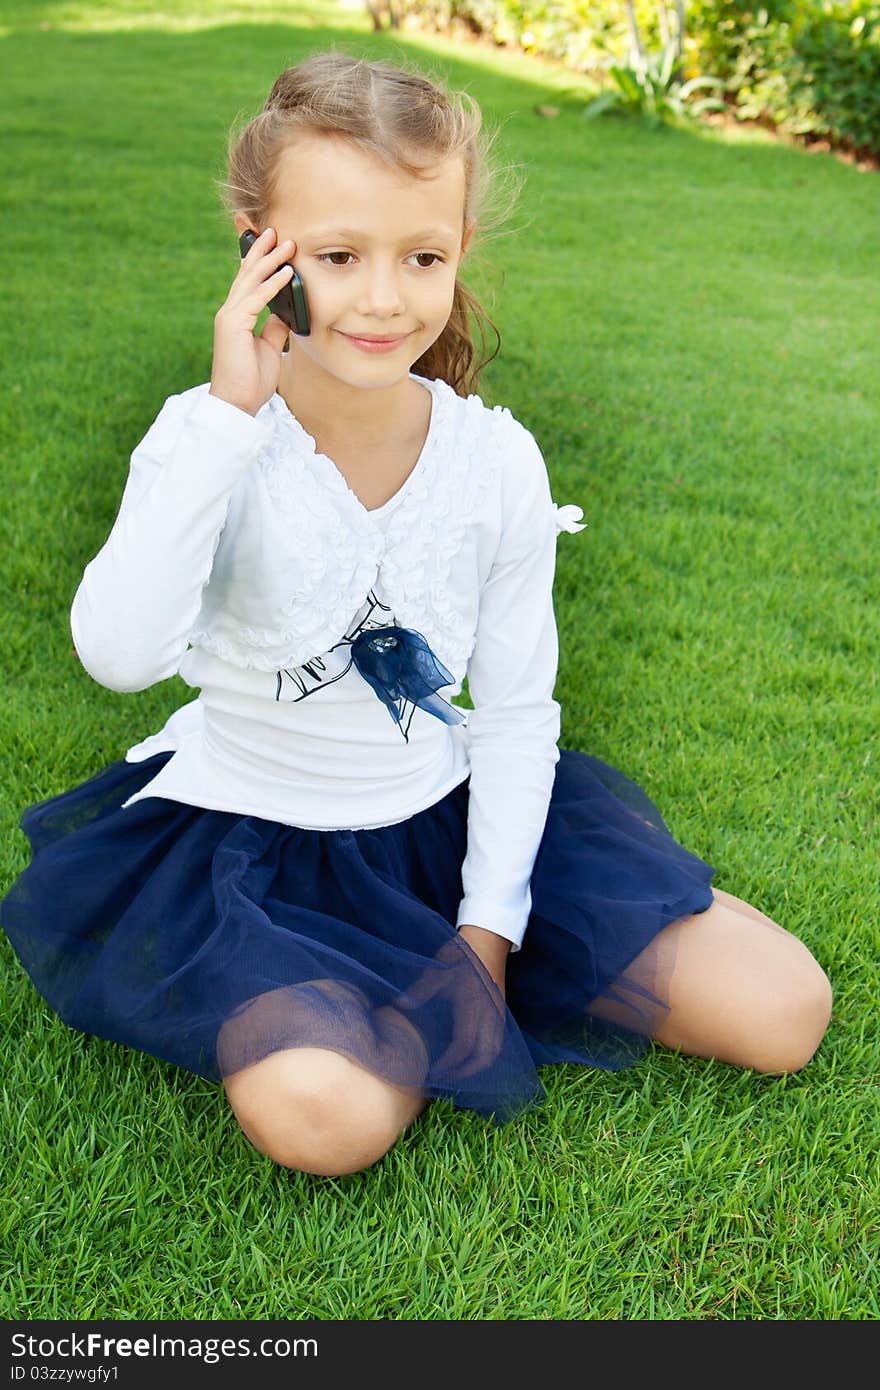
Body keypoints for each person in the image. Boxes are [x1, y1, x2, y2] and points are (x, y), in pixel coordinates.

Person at [0, 51, 832, 1178]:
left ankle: (450, 972)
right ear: (262, 247)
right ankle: (347, 1001)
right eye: (339, 256)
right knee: (327, 1123)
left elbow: (515, 710)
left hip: (444, 818)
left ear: (459, 255)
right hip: (258, 847)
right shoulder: (212, 439)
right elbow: (116, 654)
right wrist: (228, 418)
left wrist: (486, 928)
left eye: (421, 256)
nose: (384, 298)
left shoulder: (492, 457)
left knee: (786, 1011)